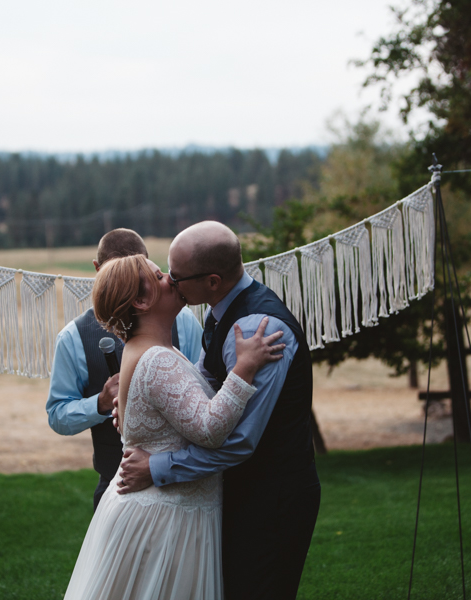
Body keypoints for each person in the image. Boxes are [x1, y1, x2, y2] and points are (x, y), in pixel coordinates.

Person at [117, 221, 321, 600]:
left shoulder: (258, 331)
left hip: (273, 498)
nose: (171, 284)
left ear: (212, 281)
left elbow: (240, 441)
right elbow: (203, 390)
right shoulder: (218, 314)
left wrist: (157, 468)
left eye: (176, 278)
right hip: (238, 494)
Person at [63, 254, 285, 600]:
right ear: (141, 300)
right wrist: (244, 369)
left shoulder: (152, 350)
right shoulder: (157, 358)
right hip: (166, 520)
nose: (172, 279)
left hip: (167, 510)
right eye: (160, 276)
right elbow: (210, 429)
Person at [45, 229, 202, 510]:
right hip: (114, 488)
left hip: (185, 481)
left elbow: (200, 391)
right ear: (98, 270)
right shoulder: (72, 337)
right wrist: (101, 403)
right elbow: (57, 415)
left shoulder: (185, 321)